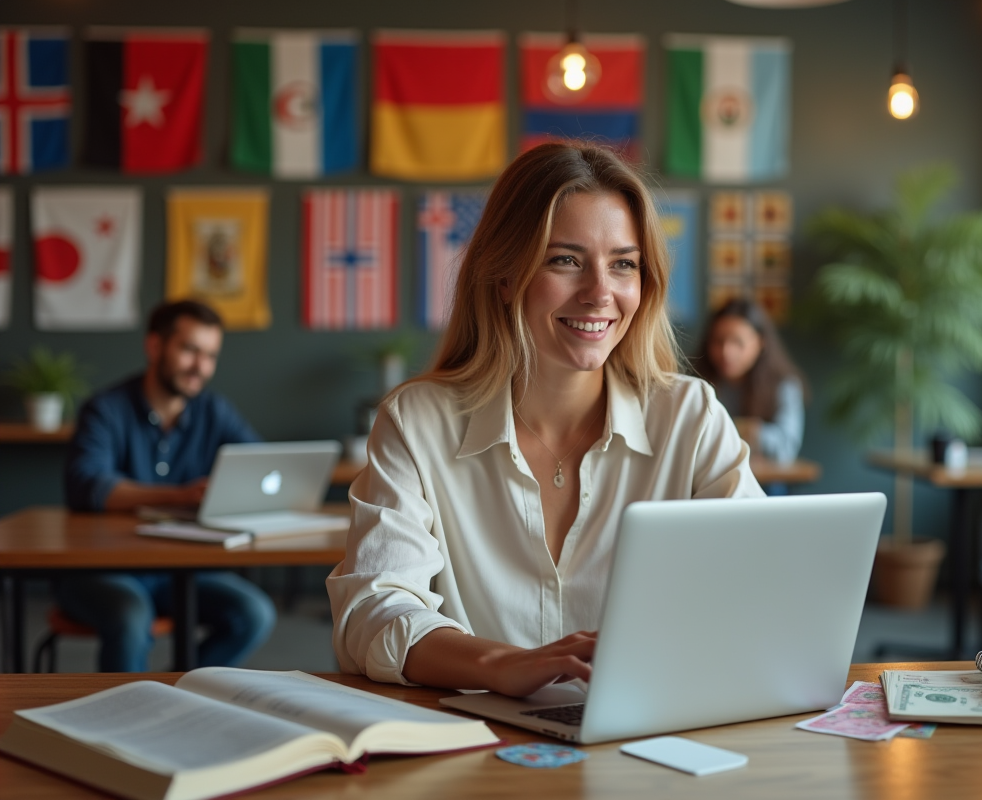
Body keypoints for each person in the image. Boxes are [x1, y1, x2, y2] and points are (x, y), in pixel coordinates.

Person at [327, 143, 764, 697]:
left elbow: (758, 595)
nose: (600, 293)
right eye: (566, 260)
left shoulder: (691, 417)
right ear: (507, 275)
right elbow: (372, 613)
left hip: (647, 744)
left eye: (623, 264)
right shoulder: (417, 423)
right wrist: (498, 664)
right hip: (474, 750)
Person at [60, 299, 276, 672]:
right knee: (130, 617)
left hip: (181, 569)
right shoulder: (105, 409)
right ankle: (122, 720)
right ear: (155, 346)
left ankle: (175, 696)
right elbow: (88, 485)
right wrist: (180, 496)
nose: (200, 367)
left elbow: (259, 465)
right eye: (190, 350)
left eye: (210, 355)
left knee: (255, 614)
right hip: (103, 569)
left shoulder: (213, 410)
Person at [693, 298, 807, 465]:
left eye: (738, 342)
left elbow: (786, 447)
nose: (726, 352)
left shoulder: (784, 385)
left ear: (761, 343)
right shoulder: (695, 383)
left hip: (766, 484)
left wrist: (747, 430)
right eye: (718, 341)